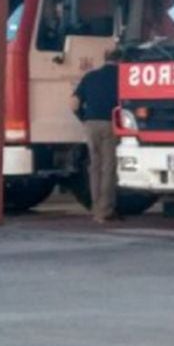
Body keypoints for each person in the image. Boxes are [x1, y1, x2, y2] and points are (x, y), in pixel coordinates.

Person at [72, 49, 122, 222]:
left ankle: (95, 208)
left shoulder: (90, 76)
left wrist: (83, 119)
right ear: (120, 60)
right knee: (108, 168)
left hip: (90, 124)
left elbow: (73, 104)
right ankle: (105, 210)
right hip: (111, 124)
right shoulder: (121, 77)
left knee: (94, 167)